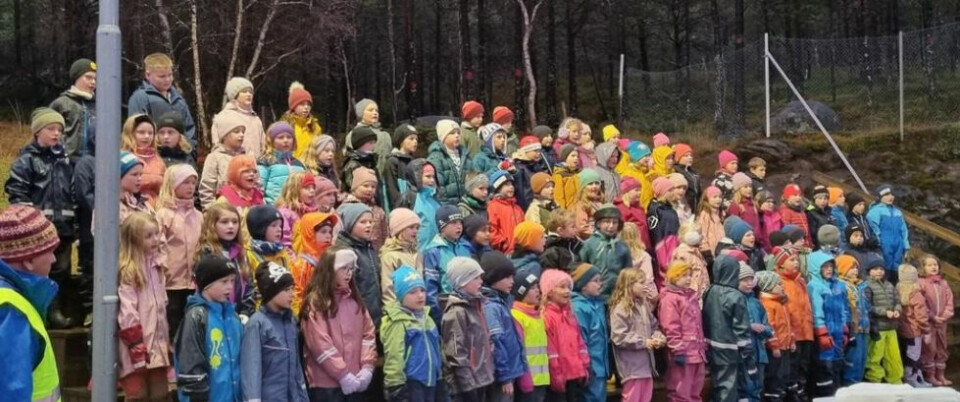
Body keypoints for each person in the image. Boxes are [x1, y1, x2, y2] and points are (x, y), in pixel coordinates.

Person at [4, 108, 77, 328]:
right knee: (37, 272)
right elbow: (17, 193)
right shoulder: (26, 161)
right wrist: (31, 218)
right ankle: (43, 311)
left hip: (62, 227)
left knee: (61, 270)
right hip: (38, 230)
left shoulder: (66, 161)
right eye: (51, 129)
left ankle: (55, 310)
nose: (56, 134)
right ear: (37, 132)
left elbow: (72, 192)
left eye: (59, 130)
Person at [0, 206, 64, 401]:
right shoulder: (12, 310)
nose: (54, 259)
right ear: (28, 260)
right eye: (49, 251)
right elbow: (12, 392)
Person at [301, 248, 378, 401]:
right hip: (326, 385)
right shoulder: (316, 303)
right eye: (344, 268)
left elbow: (368, 334)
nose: (349, 273)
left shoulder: (355, 301)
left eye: (351, 268)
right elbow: (319, 344)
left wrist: (367, 367)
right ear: (330, 270)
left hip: (356, 381)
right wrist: (342, 374)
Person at [175, 253, 243, 402]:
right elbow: (191, 367)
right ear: (207, 284)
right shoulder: (196, 318)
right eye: (224, 281)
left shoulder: (234, 318)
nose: (230, 287)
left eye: (232, 281)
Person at [241, 262, 309, 402]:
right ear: (271, 292)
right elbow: (251, 369)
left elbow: (297, 368)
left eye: (292, 289)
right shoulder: (257, 324)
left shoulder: (291, 322)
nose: (292, 294)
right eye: (286, 290)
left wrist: (303, 397)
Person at [381, 265, 442, 402]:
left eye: (422, 290)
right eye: (412, 292)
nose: (420, 295)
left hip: (431, 380)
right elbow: (394, 356)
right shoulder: (397, 322)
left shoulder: (428, 318)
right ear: (401, 296)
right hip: (412, 383)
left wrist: (440, 375)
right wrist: (395, 386)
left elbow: (437, 348)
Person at [156, 165, 202, 340]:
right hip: (171, 281)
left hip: (192, 282)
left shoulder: (198, 216)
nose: (190, 187)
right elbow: (158, 247)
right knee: (172, 321)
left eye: (193, 183)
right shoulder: (163, 215)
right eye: (185, 183)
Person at [702, 255, 756, 402]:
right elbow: (741, 328)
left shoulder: (709, 290)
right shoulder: (736, 296)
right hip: (730, 349)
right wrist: (747, 351)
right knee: (729, 387)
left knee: (718, 385)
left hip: (712, 346)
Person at [442, 257, 496, 401]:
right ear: (462, 282)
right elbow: (455, 353)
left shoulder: (477, 305)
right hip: (467, 386)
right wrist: (468, 386)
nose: (481, 282)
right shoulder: (456, 313)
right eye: (475, 278)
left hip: (481, 378)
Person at [609, 268, 665, 402]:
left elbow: (654, 326)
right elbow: (619, 336)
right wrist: (644, 342)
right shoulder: (620, 308)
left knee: (645, 397)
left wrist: (659, 338)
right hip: (632, 368)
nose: (644, 285)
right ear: (629, 285)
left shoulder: (643, 306)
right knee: (632, 398)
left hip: (646, 365)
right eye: (640, 282)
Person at [480, 252, 527, 402]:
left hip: (510, 372)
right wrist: (505, 376)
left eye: (512, 277)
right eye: (506, 277)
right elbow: (496, 342)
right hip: (502, 376)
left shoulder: (502, 301)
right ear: (493, 278)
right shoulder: (491, 306)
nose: (512, 281)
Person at [658, 261, 707, 402]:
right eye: (684, 275)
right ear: (674, 276)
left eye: (690, 275)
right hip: (683, 352)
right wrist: (677, 350)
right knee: (680, 391)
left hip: (697, 352)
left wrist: (702, 346)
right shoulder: (670, 299)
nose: (688, 279)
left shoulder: (691, 296)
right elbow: (670, 326)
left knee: (696, 390)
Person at [197, 202, 255, 319]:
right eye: (224, 222)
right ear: (212, 225)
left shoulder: (241, 252)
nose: (231, 226)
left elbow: (249, 285)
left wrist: (245, 312)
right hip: (215, 316)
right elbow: (205, 291)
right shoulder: (207, 254)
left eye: (235, 222)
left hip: (239, 316)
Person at [127, 53, 196, 148]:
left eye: (170, 75)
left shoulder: (178, 98)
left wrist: (190, 153)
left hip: (181, 157)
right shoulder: (140, 98)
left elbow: (189, 129)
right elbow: (137, 132)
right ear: (148, 75)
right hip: (154, 157)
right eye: (162, 76)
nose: (167, 80)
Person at [540, 269, 589, 402]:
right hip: (559, 376)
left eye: (568, 287)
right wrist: (556, 374)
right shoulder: (547, 317)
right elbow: (550, 349)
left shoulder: (570, 315)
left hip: (573, 373)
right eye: (562, 287)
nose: (567, 291)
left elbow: (580, 342)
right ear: (549, 292)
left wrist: (584, 365)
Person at [334, 203, 384, 329]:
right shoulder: (345, 252)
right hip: (356, 319)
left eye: (370, 222)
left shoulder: (369, 248)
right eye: (363, 222)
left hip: (375, 317)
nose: (368, 225)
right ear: (350, 224)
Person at [420, 205, 469, 325]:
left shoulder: (464, 247)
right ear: (442, 227)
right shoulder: (434, 252)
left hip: (469, 308)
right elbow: (431, 290)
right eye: (453, 223)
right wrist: (441, 318)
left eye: (460, 222)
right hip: (449, 312)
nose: (459, 226)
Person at [570, 265, 610, 402]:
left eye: (600, 280)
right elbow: (581, 340)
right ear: (583, 285)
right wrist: (586, 366)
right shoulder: (579, 308)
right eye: (595, 281)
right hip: (590, 367)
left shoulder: (598, 304)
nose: (600, 284)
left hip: (600, 366)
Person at [863, 258, 904, 384]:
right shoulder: (866, 286)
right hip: (877, 328)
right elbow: (867, 306)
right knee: (874, 357)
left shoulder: (889, 285)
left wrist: (897, 309)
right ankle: (874, 380)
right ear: (869, 271)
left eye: (881, 269)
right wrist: (884, 312)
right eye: (875, 269)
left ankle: (895, 380)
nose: (879, 272)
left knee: (893, 356)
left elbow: (897, 301)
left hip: (891, 327)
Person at [290, 212, 339, 315]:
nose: (328, 236)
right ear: (310, 234)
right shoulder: (302, 264)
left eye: (330, 232)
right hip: (311, 316)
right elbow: (297, 296)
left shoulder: (331, 257)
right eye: (323, 232)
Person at [511, 271, 549, 402]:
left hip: (541, 379)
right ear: (521, 292)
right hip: (527, 381)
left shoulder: (538, 315)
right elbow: (518, 350)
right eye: (532, 288)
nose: (537, 291)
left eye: (537, 287)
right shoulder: (517, 316)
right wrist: (524, 378)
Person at [579, 205, 632, 300]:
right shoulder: (589, 245)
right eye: (607, 222)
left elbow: (629, 273)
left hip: (617, 297)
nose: (611, 226)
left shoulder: (622, 247)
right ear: (598, 224)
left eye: (614, 222)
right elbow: (582, 269)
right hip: (595, 297)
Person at [755, 270, 793, 402]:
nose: (782, 287)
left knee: (784, 376)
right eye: (778, 284)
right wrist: (774, 346)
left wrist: (791, 340)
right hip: (776, 349)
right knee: (775, 377)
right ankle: (773, 398)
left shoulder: (780, 302)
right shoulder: (767, 304)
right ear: (768, 286)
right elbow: (770, 328)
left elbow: (787, 324)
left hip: (785, 345)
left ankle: (780, 396)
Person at [918, 254, 954, 386]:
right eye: (929, 265)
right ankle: (930, 375)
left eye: (935, 265)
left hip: (942, 323)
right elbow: (921, 303)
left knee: (942, 348)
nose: (933, 267)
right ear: (923, 267)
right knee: (929, 348)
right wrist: (932, 316)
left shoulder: (943, 283)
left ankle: (941, 375)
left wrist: (944, 316)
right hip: (929, 323)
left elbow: (949, 301)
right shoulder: (921, 283)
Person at [50, 58, 97, 157]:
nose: (93, 82)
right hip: (67, 162)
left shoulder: (99, 106)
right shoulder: (61, 103)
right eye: (88, 77)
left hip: (92, 163)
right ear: (76, 78)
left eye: (95, 79)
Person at [199, 113, 247, 209]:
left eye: (242, 132)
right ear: (224, 136)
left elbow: (257, 184)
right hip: (223, 210)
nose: (241, 135)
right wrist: (210, 210)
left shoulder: (247, 157)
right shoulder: (214, 157)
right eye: (236, 132)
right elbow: (207, 187)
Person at [211, 76, 266, 158]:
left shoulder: (256, 119)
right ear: (235, 95)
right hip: (232, 165)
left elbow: (263, 145)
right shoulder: (224, 117)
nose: (248, 94)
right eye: (244, 91)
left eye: (250, 92)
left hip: (255, 167)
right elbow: (217, 144)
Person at [835, 255, 869, 386]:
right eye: (851, 268)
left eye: (856, 268)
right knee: (852, 362)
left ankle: (858, 387)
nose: (855, 271)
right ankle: (850, 388)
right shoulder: (841, 286)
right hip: (853, 330)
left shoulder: (859, 286)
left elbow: (865, 307)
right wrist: (850, 329)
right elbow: (846, 309)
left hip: (863, 330)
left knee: (862, 360)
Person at [740, 265, 771, 402]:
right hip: (745, 353)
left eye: (750, 279)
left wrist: (765, 330)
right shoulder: (736, 300)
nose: (748, 283)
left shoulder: (756, 302)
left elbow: (768, 326)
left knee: (758, 387)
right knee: (747, 387)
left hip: (760, 353)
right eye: (744, 280)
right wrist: (750, 326)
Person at [896, 263, 931, 387]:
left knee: (906, 354)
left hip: (902, 330)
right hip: (915, 331)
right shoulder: (916, 293)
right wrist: (926, 330)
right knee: (914, 356)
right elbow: (921, 316)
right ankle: (911, 379)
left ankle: (917, 377)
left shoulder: (897, 290)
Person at [867, 184, 910, 284]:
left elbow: (904, 230)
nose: (890, 197)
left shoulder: (897, 212)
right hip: (884, 244)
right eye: (886, 195)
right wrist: (878, 241)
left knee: (896, 270)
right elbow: (873, 228)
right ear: (880, 197)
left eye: (892, 194)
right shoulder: (875, 211)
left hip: (898, 245)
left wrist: (906, 246)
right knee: (884, 267)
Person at [120, 114, 166, 204]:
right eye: (141, 132)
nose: (146, 136)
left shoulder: (159, 161)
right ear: (130, 133)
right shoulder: (122, 159)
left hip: (157, 210)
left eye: (150, 133)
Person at [429, 119, 476, 205]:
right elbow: (438, 186)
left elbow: (473, 179)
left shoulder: (465, 155)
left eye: (458, 133)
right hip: (448, 206)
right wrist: (445, 205)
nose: (457, 135)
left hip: (467, 204)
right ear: (443, 137)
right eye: (452, 133)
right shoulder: (436, 158)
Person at [341, 167, 389, 251]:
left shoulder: (378, 210)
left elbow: (385, 235)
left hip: (375, 255)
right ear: (355, 187)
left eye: (373, 187)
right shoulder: (347, 208)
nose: (369, 189)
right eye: (365, 186)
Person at [257, 122, 305, 205]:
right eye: (280, 137)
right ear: (271, 141)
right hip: (274, 209)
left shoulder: (299, 164)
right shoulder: (266, 161)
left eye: (289, 137)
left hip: (297, 209)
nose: (285, 140)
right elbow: (259, 188)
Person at [398, 159, 441, 249]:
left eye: (433, 177)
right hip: (416, 250)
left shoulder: (434, 198)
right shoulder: (410, 197)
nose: (432, 180)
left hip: (434, 250)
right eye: (428, 177)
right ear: (416, 177)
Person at [381, 208, 421, 304]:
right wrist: (395, 313)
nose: (415, 231)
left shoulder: (417, 253)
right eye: (411, 227)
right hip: (401, 311)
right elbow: (388, 288)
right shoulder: (390, 256)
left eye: (417, 228)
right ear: (399, 230)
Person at [648, 178, 681, 289]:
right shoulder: (656, 210)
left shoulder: (668, 208)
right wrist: (663, 260)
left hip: (674, 249)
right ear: (662, 192)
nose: (673, 193)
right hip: (664, 255)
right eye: (670, 190)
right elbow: (656, 235)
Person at [244, 205, 292, 278]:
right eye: (274, 225)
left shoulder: (282, 252)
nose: (279, 229)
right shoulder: (248, 255)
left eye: (280, 226)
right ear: (260, 228)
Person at [344, 99, 391, 171]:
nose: (375, 113)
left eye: (376, 110)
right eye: (370, 110)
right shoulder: (353, 135)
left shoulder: (385, 135)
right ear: (361, 113)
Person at [275, 171, 320, 248]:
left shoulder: (315, 212)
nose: (312, 191)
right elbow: (284, 242)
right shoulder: (285, 213)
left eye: (313, 187)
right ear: (294, 190)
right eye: (307, 188)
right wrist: (293, 259)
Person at [280, 81, 323, 161]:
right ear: (294, 106)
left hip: (312, 168)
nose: (306, 107)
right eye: (302, 104)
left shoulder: (315, 127)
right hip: (292, 168)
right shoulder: (285, 126)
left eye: (308, 104)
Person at [671, 221, 710, 300]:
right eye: (699, 233)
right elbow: (682, 279)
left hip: (699, 297)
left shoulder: (694, 252)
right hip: (691, 298)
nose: (702, 236)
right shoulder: (683, 254)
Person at [340, 126, 381, 202]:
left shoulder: (371, 162)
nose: (373, 146)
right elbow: (352, 188)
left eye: (374, 142)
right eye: (370, 143)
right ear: (360, 144)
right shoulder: (352, 164)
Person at [384, 124, 419, 209]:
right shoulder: (392, 162)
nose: (415, 142)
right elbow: (392, 191)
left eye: (416, 139)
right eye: (411, 138)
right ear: (401, 141)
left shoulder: (415, 162)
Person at [615, 178, 652, 251]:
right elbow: (621, 231)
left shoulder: (639, 208)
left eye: (640, 190)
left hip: (644, 247)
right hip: (632, 248)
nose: (640, 193)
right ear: (627, 192)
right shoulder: (621, 208)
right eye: (636, 190)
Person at [616, 141, 655, 209]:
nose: (648, 158)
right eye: (645, 156)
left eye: (649, 155)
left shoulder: (646, 172)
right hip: (637, 210)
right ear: (635, 157)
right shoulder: (629, 174)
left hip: (648, 209)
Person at [513, 136, 549, 210]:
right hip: (528, 207)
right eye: (535, 151)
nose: (538, 153)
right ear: (525, 151)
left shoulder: (536, 166)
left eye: (539, 151)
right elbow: (521, 193)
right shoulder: (519, 169)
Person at [571, 169, 605, 240]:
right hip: (591, 241)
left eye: (597, 183)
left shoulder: (600, 202)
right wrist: (600, 235)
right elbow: (582, 228)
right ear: (583, 188)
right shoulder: (581, 205)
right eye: (590, 184)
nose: (594, 186)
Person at [726, 173, 760, 242]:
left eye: (750, 187)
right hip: (743, 241)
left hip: (756, 241)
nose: (749, 189)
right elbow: (734, 226)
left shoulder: (753, 204)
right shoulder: (735, 206)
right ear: (738, 189)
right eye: (745, 187)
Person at [697, 186, 725, 265]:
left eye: (720, 197)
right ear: (707, 199)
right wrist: (706, 252)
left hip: (721, 250)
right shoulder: (705, 215)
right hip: (711, 252)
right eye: (714, 197)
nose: (718, 200)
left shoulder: (720, 214)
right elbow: (702, 234)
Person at [552, 144, 582, 210]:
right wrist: (562, 214)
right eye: (573, 156)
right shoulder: (559, 175)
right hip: (569, 213)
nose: (576, 158)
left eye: (577, 156)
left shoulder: (579, 173)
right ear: (564, 158)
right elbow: (559, 198)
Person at [806, 185, 836, 251]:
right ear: (814, 199)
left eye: (825, 198)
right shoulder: (811, 213)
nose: (823, 201)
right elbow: (812, 234)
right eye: (820, 198)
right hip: (819, 248)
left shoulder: (829, 212)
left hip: (831, 246)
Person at [673, 143, 701, 211]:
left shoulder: (694, 173)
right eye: (686, 156)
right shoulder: (675, 171)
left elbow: (699, 192)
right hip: (683, 209)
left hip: (696, 208)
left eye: (691, 155)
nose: (690, 157)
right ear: (677, 158)